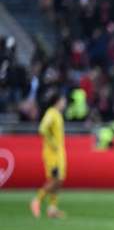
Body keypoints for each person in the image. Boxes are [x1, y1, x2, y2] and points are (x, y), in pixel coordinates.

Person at [30, 91, 67, 219]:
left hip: (59, 152)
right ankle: (37, 200)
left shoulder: (57, 114)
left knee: (59, 181)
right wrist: (52, 143)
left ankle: (52, 209)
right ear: (57, 101)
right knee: (55, 180)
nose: (64, 103)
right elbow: (42, 128)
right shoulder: (51, 113)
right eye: (63, 100)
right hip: (52, 153)